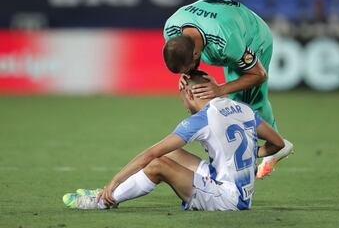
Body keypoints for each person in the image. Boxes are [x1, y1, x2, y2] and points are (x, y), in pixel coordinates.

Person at [63, 70, 293, 211]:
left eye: (183, 96)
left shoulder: (202, 120)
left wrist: (114, 180)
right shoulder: (242, 109)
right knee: (170, 155)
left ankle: (103, 200)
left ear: (191, 94)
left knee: (157, 164)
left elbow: (150, 155)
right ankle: (112, 193)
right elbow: (278, 144)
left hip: (228, 200)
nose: (182, 102)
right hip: (238, 189)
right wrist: (253, 154)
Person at [163, 0, 284, 178]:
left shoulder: (227, 43)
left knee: (246, 102)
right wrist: (185, 75)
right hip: (223, 21)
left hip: (253, 34)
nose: (187, 73)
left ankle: (276, 146)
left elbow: (259, 75)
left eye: (186, 69)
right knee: (235, 105)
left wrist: (220, 89)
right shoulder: (171, 29)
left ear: (196, 53)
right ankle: (253, 151)